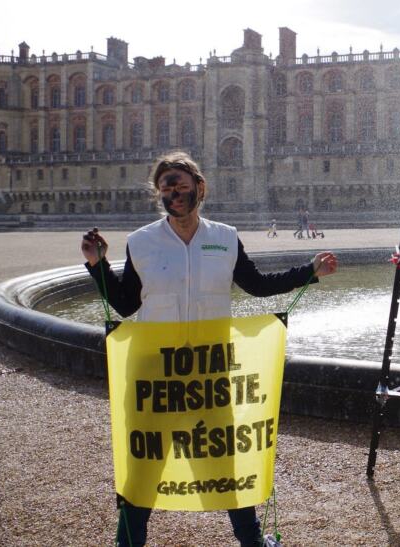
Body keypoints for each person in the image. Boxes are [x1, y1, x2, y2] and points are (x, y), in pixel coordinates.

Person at [80, 151, 338, 546]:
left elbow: (257, 285)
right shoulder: (142, 241)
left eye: (182, 186)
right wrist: (98, 265)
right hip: (155, 372)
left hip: (210, 370)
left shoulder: (224, 237)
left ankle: (251, 543)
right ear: (158, 193)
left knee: (226, 464)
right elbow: (127, 304)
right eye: (167, 187)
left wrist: (309, 271)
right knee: (145, 467)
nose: (175, 194)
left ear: (201, 188)